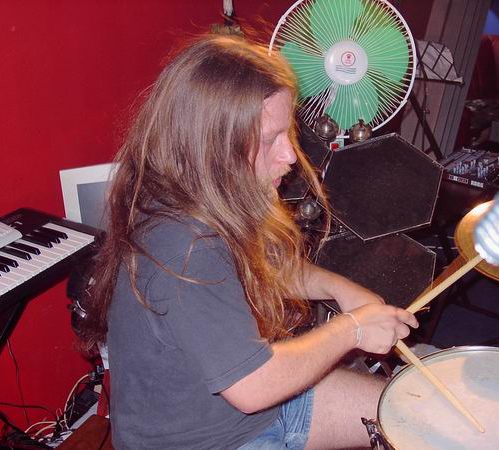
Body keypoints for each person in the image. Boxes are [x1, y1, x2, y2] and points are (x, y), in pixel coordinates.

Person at [82, 34, 418, 449]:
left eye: (287, 132)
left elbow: (265, 267)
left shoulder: (200, 193)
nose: (290, 155)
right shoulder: (185, 245)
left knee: (413, 413)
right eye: (269, 139)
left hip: (254, 414)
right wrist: (353, 330)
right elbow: (253, 386)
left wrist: (339, 289)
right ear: (211, 145)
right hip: (206, 441)